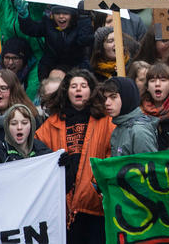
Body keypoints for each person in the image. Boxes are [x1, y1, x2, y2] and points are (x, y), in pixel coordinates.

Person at [36, 69, 113, 243]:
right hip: (62, 206)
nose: (78, 90)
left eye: (83, 86)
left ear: (91, 90)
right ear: (66, 91)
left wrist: (96, 184)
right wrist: (54, 160)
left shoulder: (106, 121)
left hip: (95, 204)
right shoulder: (51, 124)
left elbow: (112, 154)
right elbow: (38, 153)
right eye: (74, 86)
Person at [102, 76, 158, 156]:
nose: (107, 103)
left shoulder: (139, 131)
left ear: (126, 97)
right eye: (105, 98)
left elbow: (148, 166)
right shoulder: (121, 125)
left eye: (113, 97)